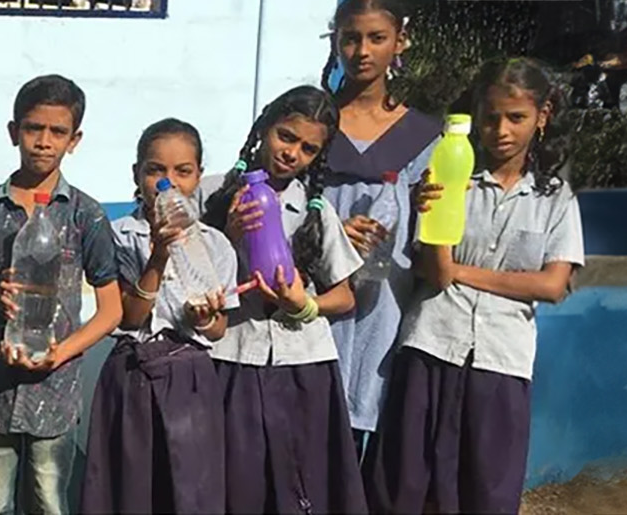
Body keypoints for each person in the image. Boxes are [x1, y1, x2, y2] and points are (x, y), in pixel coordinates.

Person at [365, 57, 585, 515]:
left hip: (501, 359)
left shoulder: (555, 200)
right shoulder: (449, 179)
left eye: (516, 118)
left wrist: (463, 274)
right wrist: (422, 209)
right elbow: (435, 270)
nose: (501, 130)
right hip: (431, 344)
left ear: (542, 117)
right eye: (491, 118)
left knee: (487, 490)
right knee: (406, 483)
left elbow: (551, 284)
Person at [0, 74, 123, 515]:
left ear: (75, 139)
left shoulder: (86, 215)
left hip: (56, 390)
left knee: (49, 502)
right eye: (33, 128)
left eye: (58, 132)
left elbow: (112, 310)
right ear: (14, 132)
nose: (44, 142)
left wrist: (61, 353)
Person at [202, 85, 368, 514]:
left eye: (309, 148)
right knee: (233, 482)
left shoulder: (316, 210)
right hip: (232, 357)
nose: (293, 153)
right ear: (264, 129)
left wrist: (305, 304)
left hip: (302, 365)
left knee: (299, 485)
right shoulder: (213, 193)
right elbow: (185, 278)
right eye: (286, 136)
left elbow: (345, 296)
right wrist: (227, 238)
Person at [79, 118, 238, 514]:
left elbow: (218, 329)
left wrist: (204, 317)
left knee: (189, 490)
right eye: (156, 171)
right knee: (128, 488)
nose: (169, 183)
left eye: (183, 172)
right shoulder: (116, 235)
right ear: (137, 174)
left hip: (191, 379)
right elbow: (129, 318)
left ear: (198, 176)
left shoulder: (215, 242)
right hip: (131, 375)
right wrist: (160, 253)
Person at [324, 0, 443, 451]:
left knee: (368, 428)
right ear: (336, 39)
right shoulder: (310, 125)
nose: (362, 51)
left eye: (377, 38)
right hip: (315, 294)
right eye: (351, 38)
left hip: (385, 300)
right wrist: (331, 228)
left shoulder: (423, 136)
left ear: (400, 42)